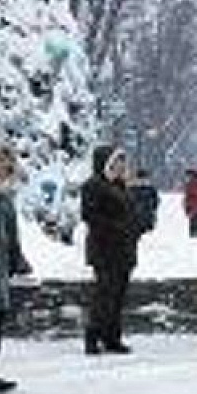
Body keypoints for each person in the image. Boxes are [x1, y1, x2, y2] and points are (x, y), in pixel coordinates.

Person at [81, 145, 140, 356]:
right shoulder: (93, 185)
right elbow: (90, 215)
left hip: (124, 250)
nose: (121, 166)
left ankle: (112, 337)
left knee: (118, 296)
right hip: (104, 250)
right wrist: (118, 227)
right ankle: (93, 335)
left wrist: (135, 228)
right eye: (117, 162)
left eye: (123, 162)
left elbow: (131, 215)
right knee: (104, 295)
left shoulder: (121, 186)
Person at [0, 144, 31, 393]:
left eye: (7, 164)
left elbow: (12, 235)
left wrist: (18, 260)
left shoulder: (6, 198)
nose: (4, 168)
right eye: (1, 162)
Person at [127, 168, 159, 236]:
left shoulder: (150, 189)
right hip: (135, 219)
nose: (142, 181)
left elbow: (155, 202)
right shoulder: (132, 189)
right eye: (141, 178)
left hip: (146, 217)